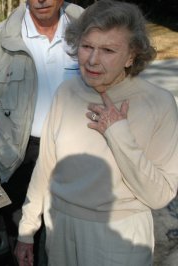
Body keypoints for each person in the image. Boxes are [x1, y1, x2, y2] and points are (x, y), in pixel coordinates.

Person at [15, 0, 178, 265]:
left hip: (119, 238)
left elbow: (159, 195)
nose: (92, 60)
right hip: (59, 230)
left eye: (108, 50)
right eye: (87, 46)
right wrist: (27, 230)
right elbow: (45, 167)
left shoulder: (158, 103)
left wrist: (118, 132)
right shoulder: (66, 93)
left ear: (131, 55)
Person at [0, 0, 83, 263]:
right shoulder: (0, 38)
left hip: (76, 155)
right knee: (24, 247)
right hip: (20, 159)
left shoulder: (89, 28)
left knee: (71, 244)